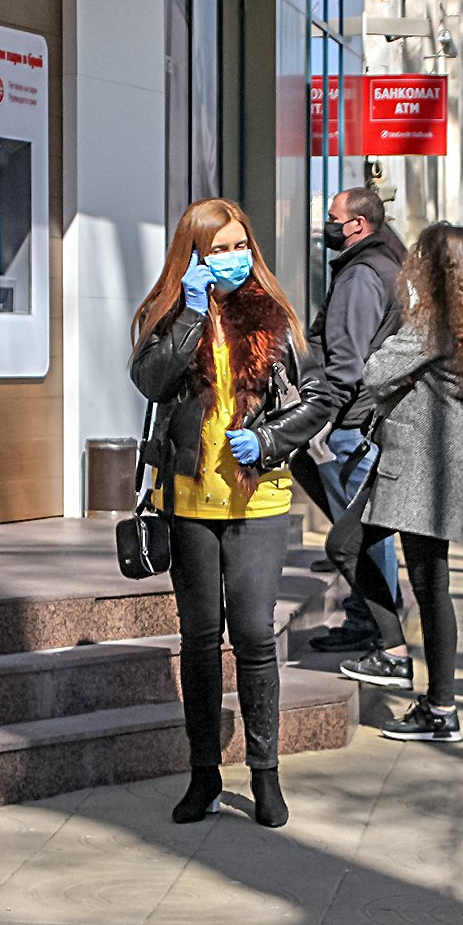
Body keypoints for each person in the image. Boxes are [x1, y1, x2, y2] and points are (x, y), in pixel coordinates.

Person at [130, 198, 331, 828]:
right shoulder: (166, 313)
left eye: (240, 246)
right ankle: (203, 776)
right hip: (187, 500)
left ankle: (265, 775)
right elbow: (150, 382)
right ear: (192, 255)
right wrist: (191, 310)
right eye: (218, 249)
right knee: (197, 639)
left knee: (251, 633)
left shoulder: (276, 317)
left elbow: (320, 397)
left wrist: (269, 441)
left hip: (257, 501)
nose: (233, 259)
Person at [338, 222, 463, 741]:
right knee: (409, 573)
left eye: (418, 259)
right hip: (433, 463)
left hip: (420, 465)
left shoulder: (434, 323)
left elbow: (374, 371)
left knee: (406, 572)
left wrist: (408, 314)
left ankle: (430, 697)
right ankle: (417, 681)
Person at [299, 187, 404, 653]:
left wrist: (321, 415)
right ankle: (375, 621)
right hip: (362, 417)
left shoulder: (362, 274)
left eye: (332, 217)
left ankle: (373, 624)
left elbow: (347, 358)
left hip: (352, 422)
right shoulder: (383, 264)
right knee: (361, 528)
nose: (326, 225)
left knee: (359, 533)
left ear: (357, 225)